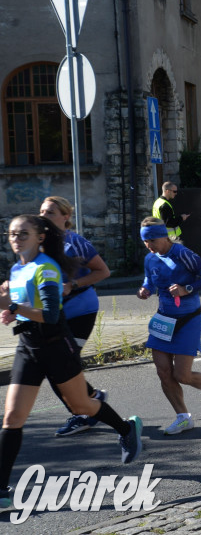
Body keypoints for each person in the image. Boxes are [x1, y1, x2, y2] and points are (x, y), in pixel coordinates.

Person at [0, 215, 142, 509]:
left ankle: (127, 430)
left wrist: (12, 306)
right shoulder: (17, 268)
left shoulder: (47, 269)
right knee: (12, 417)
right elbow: (29, 307)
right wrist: (13, 313)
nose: (16, 238)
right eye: (12, 234)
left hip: (56, 347)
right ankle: (1, 489)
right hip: (28, 347)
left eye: (22, 234)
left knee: (82, 407)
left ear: (40, 237)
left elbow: (51, 315)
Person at [137, 217, 201, 434]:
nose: (149, 246)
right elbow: (149, 279)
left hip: (188, 319)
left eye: (153, 240)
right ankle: (183, 417)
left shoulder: (183, 254)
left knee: (182, 375)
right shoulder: (150, 258)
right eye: (145, 242)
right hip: (164, 320)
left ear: (163, 236)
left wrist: (187, 289)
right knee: (163, 371)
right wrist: (145, 289)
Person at [37, 196, 112, 437]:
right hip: (53, 314)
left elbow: (103, 271)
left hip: (81, 309)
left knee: (61, 366)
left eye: (49, 212)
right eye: (41, 211)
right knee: (57, 365)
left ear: (65, 216)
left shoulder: (75, 242)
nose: (43, 216)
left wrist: (73, 284)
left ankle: (84, 413)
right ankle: (92, 399)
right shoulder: (38, 245)